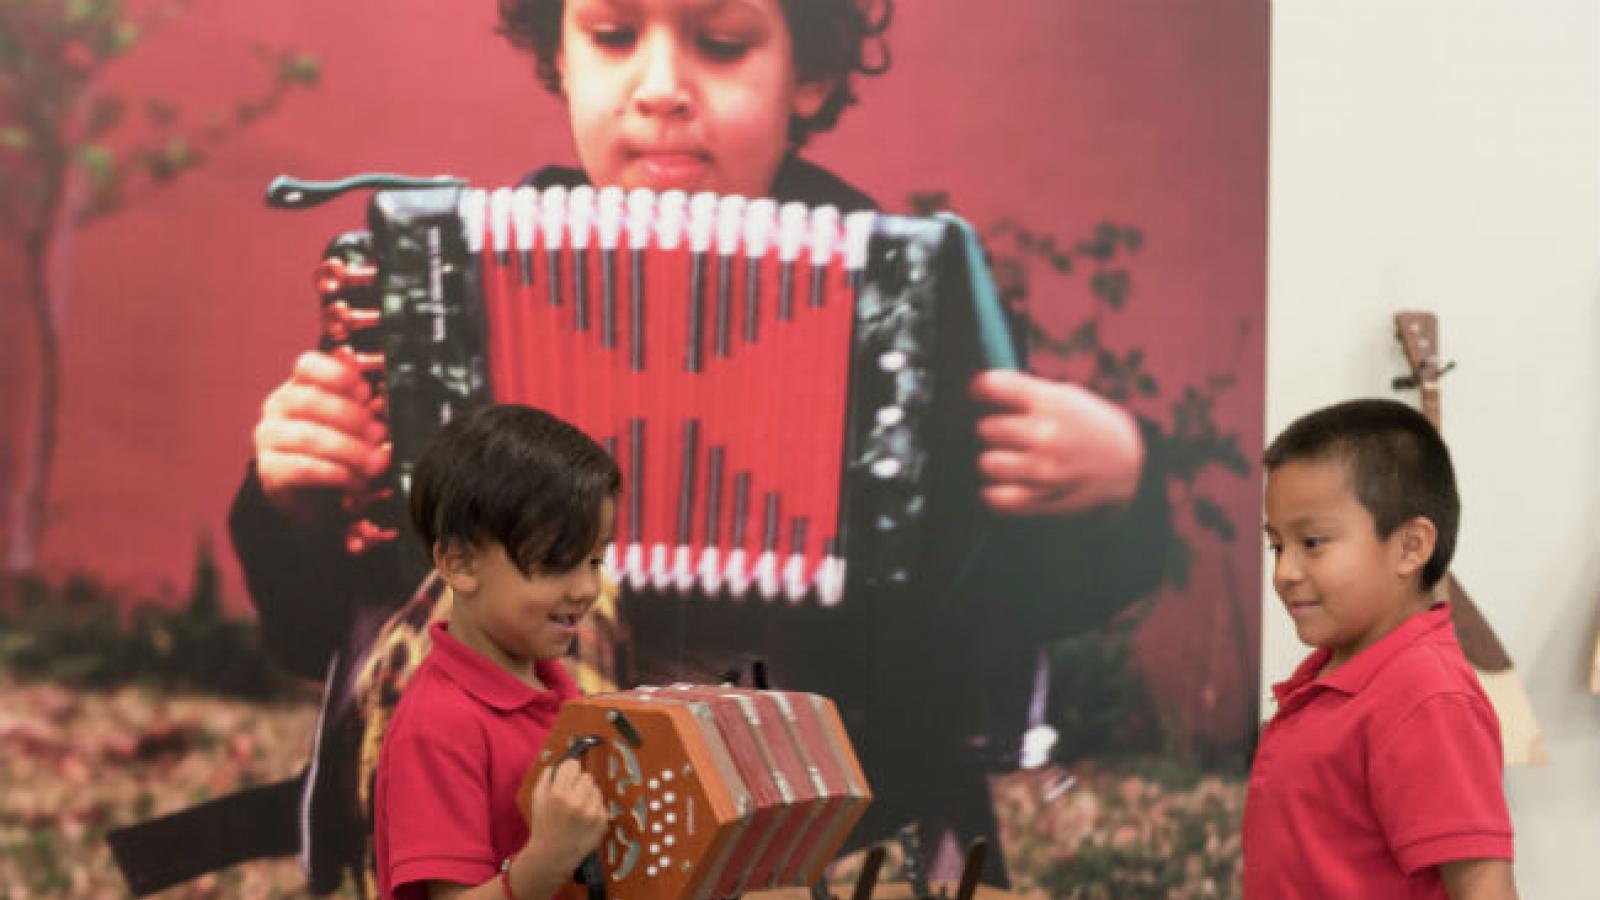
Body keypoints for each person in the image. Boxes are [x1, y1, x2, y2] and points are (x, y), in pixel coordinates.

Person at [227, 0, 1172, 892]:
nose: (661, 86)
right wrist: (296, 503)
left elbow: (1004, 608)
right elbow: (328, 635)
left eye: (721, 42)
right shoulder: (454, 281)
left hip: (835, 815)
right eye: (611, 34)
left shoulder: (909, 298)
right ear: (557, 52)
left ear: (812, 69)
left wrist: (1119, 487)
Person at [1248, 399, 1516, 899]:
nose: (1285, 571)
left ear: (1411, 547)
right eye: (1276, 545)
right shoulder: (1333, 676)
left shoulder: (1426, 697)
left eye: (1312, 542)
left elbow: (1483, 887)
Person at [374, 402, 618, 899]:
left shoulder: (561, 690)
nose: (586, 588)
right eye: (557, 563)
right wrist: (546, 860)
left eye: (595, 560)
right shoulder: (437, 726)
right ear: (460, 563)